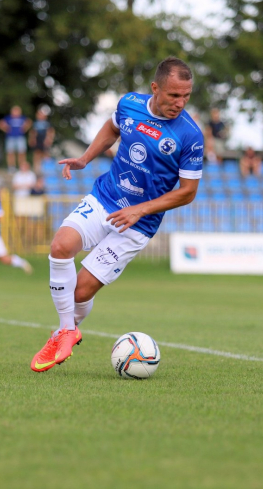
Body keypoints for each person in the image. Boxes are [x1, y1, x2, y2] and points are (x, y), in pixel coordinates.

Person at [30, 57, 203, 373]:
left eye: (186, 96)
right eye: (173, 95)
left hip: (139, 223)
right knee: (60, 246)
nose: (180, 103)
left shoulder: (190, 135)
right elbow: (112, 127)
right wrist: (86, 157)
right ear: (155, 88)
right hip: (106, 198)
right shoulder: (129, 104)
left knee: (80, 291)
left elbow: (188, 191)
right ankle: (68, 330)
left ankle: (62, 332)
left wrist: (141, 209)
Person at [0, 105, 31, 172]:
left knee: (21, 153)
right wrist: (5, 129)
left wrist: (25, 128)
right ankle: (11, 167)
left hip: (20, 137)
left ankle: (21, 167)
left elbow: (29, 122)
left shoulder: (22, 118)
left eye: (17, 111)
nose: (16, 112)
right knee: (10, 153)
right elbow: (0, 123)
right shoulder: (8, 118)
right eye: (14, 110)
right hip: (10, 137)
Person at [29, 108, 55, 173]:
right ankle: (36, 169)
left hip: (44, 140)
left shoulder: (47, 123)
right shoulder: (35, 123)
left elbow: (51, 131)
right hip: (37, 140)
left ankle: (47, 169)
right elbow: (33, 132)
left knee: (46, 154)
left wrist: (49, 139)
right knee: (36, 154)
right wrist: (32, 139)